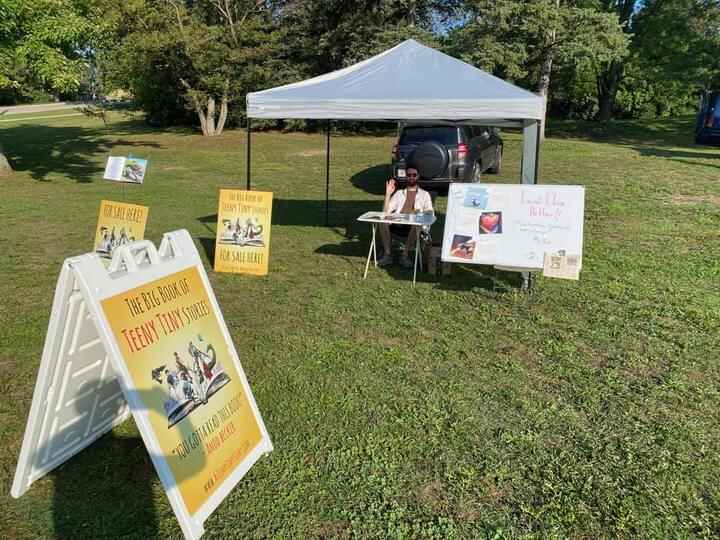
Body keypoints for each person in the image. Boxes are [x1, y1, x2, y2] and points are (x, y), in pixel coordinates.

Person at [378, 166, 434, 268]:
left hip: (414, 225)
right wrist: (388, 194)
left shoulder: (425, 195)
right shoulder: (399, 193)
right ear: (406, 177)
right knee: (382, 222)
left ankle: (405, 255)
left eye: (414, 175)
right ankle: (387, 254)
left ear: (418, 176)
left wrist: (419, 213)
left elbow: (430, 213)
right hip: (398, 224)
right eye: (409, 175)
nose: (411, 177)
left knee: (416, 225)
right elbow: (385, 212)